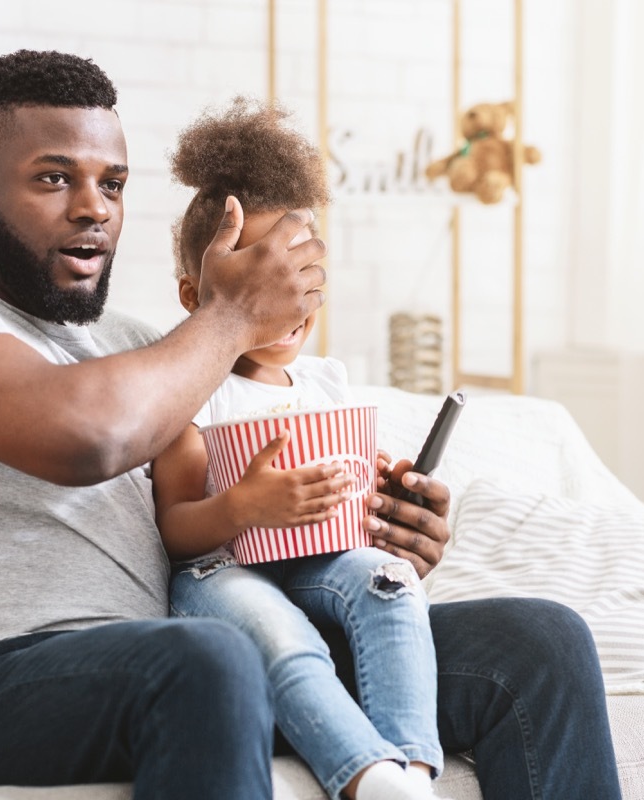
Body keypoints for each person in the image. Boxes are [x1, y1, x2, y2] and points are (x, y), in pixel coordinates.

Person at [0, 49, 624, 800]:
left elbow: (219, 518)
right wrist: (231, 313)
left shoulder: (138, 344)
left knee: (538, 644)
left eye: (114, 184)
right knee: (209, 658)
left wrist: (373, 530)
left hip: (202, 655)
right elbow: (84, 436)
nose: (94, 209)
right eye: (55, 179)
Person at [153, 98, 444, 800]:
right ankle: (369, 777)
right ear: (195, 293)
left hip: (321, 558)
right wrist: (242, 506)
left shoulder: (326, 379)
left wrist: (377, 492)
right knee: (280, 633)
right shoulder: (190, 385)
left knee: (390, 583)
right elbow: (177, 528)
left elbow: (354, 493)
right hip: (222, 571)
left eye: (301, 276)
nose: (287, 298)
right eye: (261, 276)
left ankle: (411, 766)